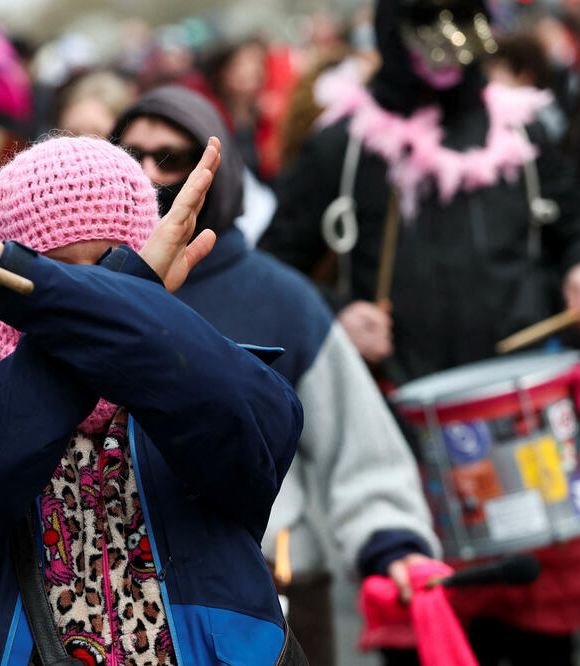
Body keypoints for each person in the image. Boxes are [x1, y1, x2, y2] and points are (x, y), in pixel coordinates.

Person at [259, 0, 580, 661]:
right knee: (425, 642)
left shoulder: (523, 131)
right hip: (404, 448)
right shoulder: (347, 145)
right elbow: (272, 264)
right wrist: (336, 314)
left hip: (524, 440)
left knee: (541, 644)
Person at [0, 136, 308, 664]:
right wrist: (130, 286)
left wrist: (57, 294)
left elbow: (255, 430)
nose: (85, 288)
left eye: (108, 265)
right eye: (58, 270)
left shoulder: (207, 376)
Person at [112, 85, 440, 666]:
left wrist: (393, 542)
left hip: (277, 590)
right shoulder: (92, 297)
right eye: (128, 153)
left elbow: (360, 447)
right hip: (132, 599)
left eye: (170, 156)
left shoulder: (282, 298)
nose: (146, 173)